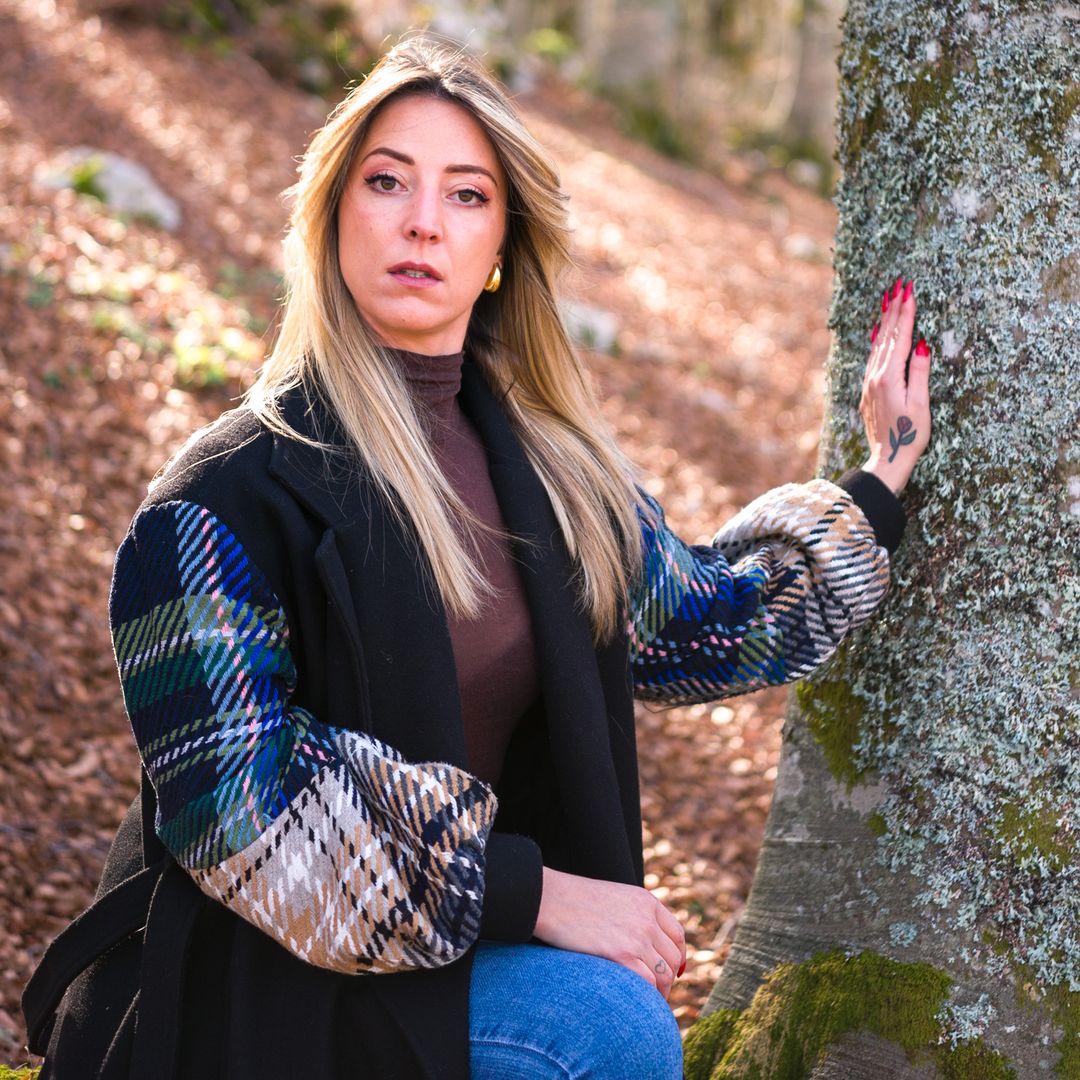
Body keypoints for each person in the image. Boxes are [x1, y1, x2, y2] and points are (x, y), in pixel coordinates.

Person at [22, 33, 932, 1080]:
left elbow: (704, 623)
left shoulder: (552, 475)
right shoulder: (215, 503)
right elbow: (245, 815)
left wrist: (883, 476)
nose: (423, 221)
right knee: (609, 1029)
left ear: (502, 244)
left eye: (466, 195)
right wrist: (535, 894)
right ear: (332, 214)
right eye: (387, 182)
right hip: (246, 991)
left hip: (443, 964)